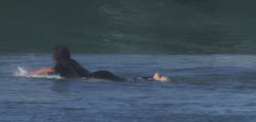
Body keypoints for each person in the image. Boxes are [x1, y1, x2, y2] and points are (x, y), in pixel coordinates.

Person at [27, 45, 169, 82]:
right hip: (99, 73)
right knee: (124, 80)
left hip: (95, 77)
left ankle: (152, 78)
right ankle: (152, 78)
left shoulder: (61, 64)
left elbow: (50, 69)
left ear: (56, 56)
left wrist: (30, 74)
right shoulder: (71, 61)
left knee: (125, 82)